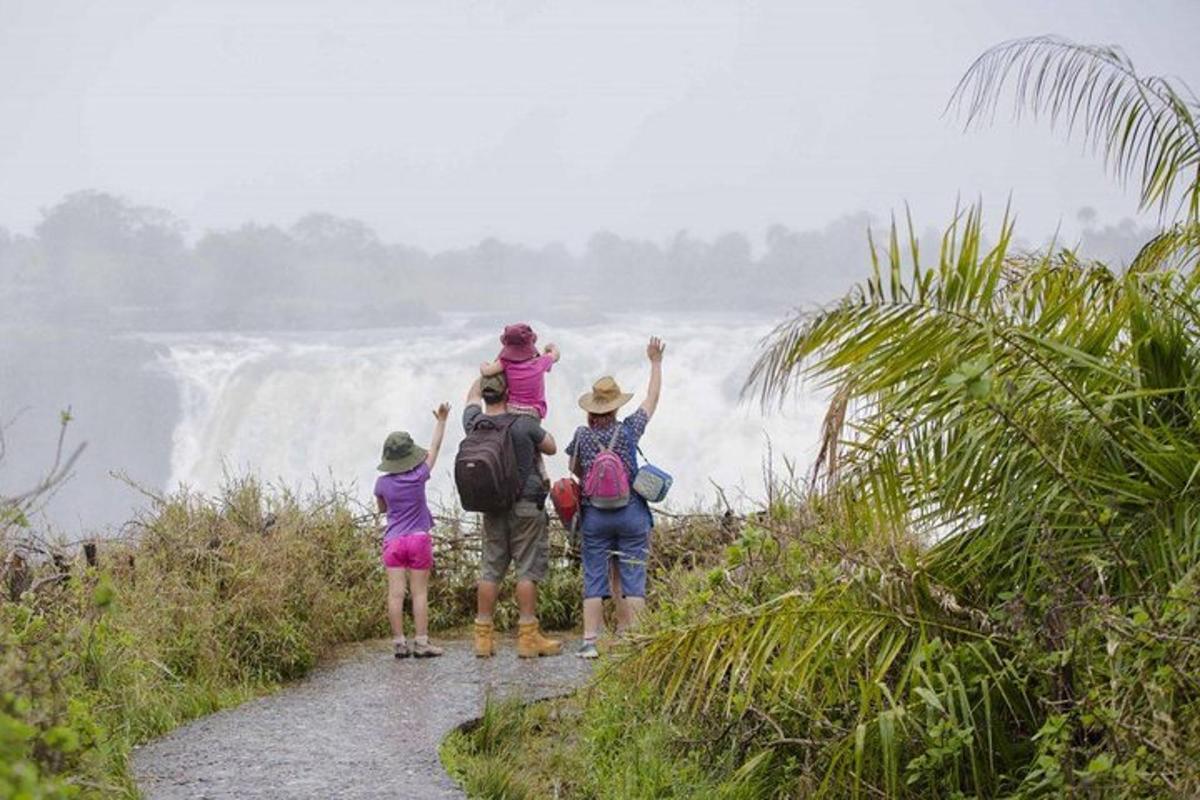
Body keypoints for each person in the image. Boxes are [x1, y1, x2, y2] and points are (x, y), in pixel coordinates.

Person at [567, 336, 665, 659]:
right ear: (616, 406)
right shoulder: (628, 429)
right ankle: (635, 641)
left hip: (595, 515)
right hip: (631, 513)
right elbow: (652, 399)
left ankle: (589, 641)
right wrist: (655, 362)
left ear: (593, 407)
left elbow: (575, 469)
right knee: (633, 575)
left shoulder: (582, 435)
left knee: (595, 576)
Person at [465, 372, 563, 658]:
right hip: (526, 505)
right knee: (527, 569)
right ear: (508, 392)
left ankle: (483, 638)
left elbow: (470, 398)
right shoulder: (524, 424)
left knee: (490, 568)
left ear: (485, 394)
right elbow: (552, 447)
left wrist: (485, 371)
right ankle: (528, 637)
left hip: (492, 505)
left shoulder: (474, 423)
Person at [374, 403, 450, 659]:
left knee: (395, 594)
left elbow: (383, 508)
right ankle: (422, 641)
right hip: (418, 539)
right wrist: (441, 421)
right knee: (419, 593)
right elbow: (436, 448)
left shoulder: (382, 483)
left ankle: (398, 643)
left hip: (393, 541)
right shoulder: (419, 474)